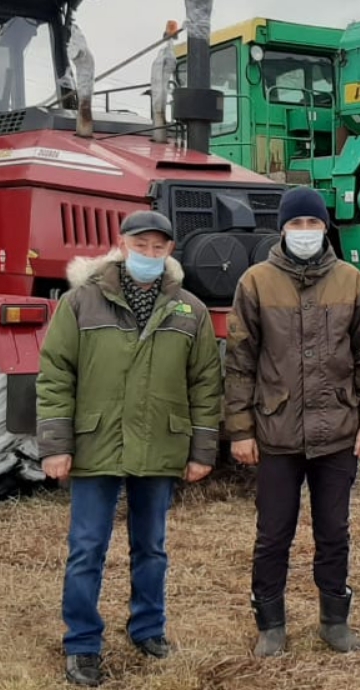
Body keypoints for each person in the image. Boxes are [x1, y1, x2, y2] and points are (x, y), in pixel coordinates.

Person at [36, 210, 223, 687]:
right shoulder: (80, 303)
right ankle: (81, 643)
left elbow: (205, 385)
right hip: (95, 443)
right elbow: (56, 375)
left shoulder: (190, 311)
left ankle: (148, 628)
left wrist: (202, 451)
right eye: (141, 246)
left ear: (170, 252)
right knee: (86, 548)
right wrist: (56, 445)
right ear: (122, 246)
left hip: (158, 442)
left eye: (158, 248)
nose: (149, 255)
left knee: (152, 548)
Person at [224, 186, 360, 657]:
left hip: (336, 431)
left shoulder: (351, 281)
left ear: (325, 227)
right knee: (273, 533)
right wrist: (240, 429)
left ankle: (335, 620)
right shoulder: (255, 282)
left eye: (312, 224)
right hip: (275, 433)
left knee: (334, 531)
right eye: (296, 224)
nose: (304, 232)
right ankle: (270, 624)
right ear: (283, 229)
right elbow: (240, 363)